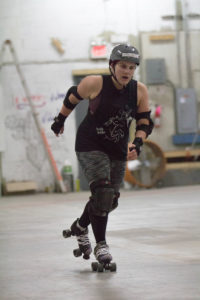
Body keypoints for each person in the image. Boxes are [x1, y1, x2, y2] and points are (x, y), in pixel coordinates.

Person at [51, 44, 154, 264]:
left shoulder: (139, 90)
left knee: (110, 200)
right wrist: (59, 120)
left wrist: (137, 143)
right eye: (123, 66)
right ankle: (101, 245)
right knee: (103, 192)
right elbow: (72, 97)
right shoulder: (95, 82)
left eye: (131, 67)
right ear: (112, 66)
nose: (127, 71)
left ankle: (80, 226)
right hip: (90, 143)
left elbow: (144, 121)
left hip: (116, 148)